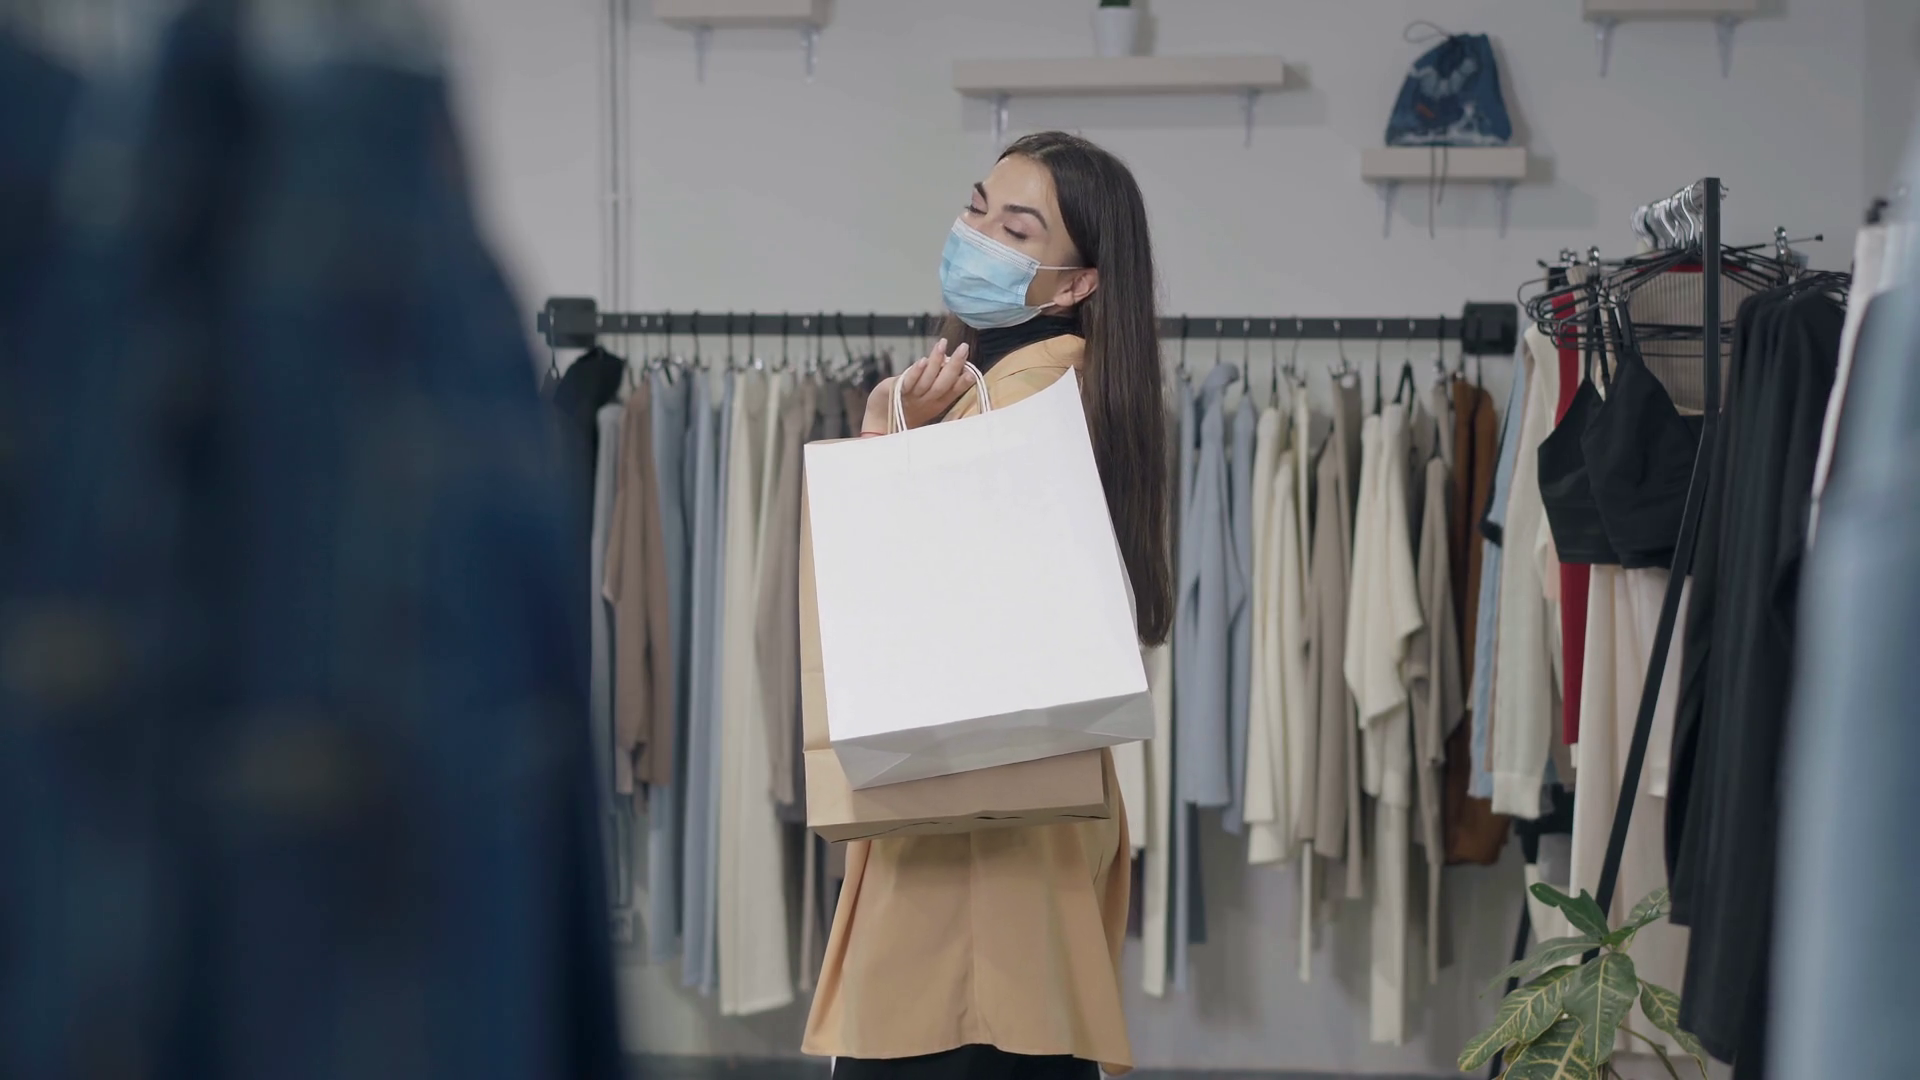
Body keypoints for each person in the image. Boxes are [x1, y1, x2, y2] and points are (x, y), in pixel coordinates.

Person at [801, 131, 1173, 1079]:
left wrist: (887, 438)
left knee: (941, 1035)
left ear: (1078, 282)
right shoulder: (1061, 382)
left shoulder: (1024, 391)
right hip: (1015, 808)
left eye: (1017, 229)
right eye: (977, 209)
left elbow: (920, 596)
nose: (977, 237)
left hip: (972, 825)